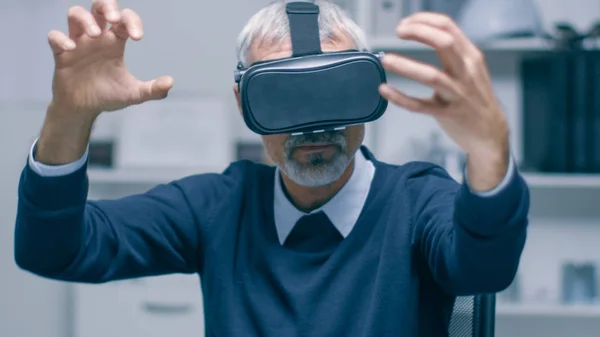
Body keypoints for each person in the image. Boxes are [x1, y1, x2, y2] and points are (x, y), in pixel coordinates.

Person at [14, 0, 529, 336]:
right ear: (245, 103)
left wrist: (489, 151)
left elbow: (483, 269)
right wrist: (69, 117)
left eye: (332, 92)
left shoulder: (416, 202)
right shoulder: (219, 207)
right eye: (283, 97)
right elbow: (55, 250)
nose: (313, 128)